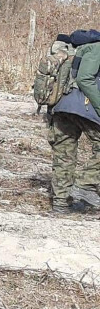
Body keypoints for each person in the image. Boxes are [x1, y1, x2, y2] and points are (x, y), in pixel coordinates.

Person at [51, 30, 100, 213]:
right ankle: (85, 185)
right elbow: (85, 79)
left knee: (64, 154)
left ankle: (61, 204)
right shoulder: (96, 49)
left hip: (62, 105)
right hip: (83, 107)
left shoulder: (73, 49)